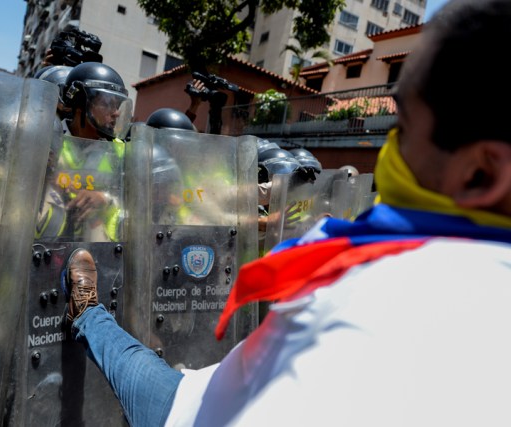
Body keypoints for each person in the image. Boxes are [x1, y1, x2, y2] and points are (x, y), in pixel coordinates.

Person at [65, 2, 511, 424]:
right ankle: (85, 312)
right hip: (190, 393)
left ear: (478, 175)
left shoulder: (441, 305)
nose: (392, 145)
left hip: (180, 415)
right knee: (120, 345)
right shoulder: (403, 256)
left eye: (405, 127)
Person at [34, 61, 132, 241]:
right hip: (42, 248)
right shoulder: (44, 139)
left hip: (98, 252)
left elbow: (133, 200)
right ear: (81, 104)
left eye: (117, 105)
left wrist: (104, 198)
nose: (116, 113)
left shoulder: (119, 150)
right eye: (107, 103)